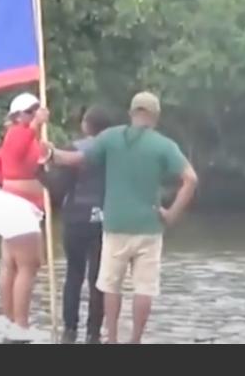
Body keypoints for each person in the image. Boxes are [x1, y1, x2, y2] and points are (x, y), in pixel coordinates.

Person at [50, 92, 198, 344]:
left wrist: (51, 153)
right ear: (156, 117)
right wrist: (171, 214)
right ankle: (135, 340)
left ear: (131, 113)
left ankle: (113, 338)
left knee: (111, 285)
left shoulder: (111, 138)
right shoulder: (164, 145)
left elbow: (75, 159)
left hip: (115, 225)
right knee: (144, 288)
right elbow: (191, 179)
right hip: (149, 226)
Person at [43, 105, 115, 344]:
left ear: (86, 125)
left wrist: (41, 173)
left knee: (74, 275)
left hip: (76, 218)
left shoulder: (73, 149)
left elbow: (58, 188)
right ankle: (94, 333)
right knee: (99, 278)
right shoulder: (115, 152)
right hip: (104, 219)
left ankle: (70, 329)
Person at [0, 92, 50, 342]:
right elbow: (14, 149)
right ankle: (20, 325)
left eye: (36, 110)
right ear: (18, 116)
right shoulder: (17, 133)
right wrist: (13, 184)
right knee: (28, 265)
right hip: (16, 206)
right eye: (30, 111)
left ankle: (9, 319)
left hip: (16, 205)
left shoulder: (28, 138)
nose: (35, 114)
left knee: (12, 265)